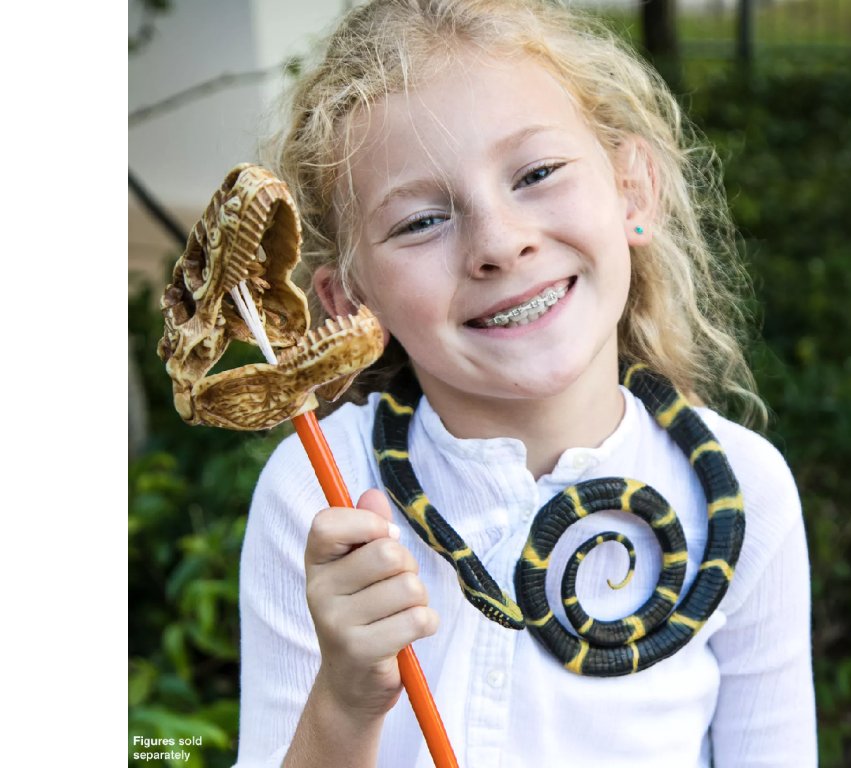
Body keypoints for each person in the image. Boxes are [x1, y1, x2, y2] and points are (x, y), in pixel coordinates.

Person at [236, 1, 816, 766]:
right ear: (351, 303)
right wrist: (345, 699)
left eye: (537, 174)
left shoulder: (744, 493)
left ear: (632, 189)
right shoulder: (323, 496)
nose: (500, 245)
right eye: (420, 221)